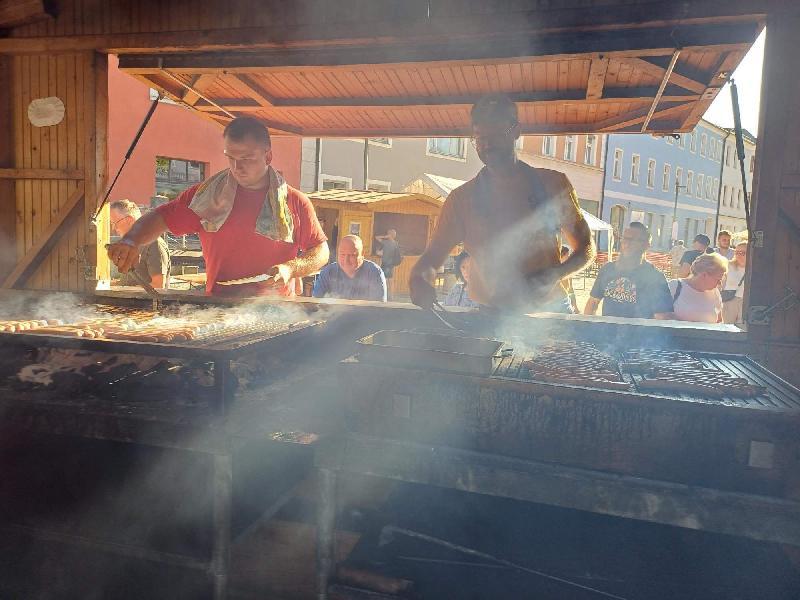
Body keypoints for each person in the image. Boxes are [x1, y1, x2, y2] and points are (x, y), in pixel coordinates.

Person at [409, 94, 594, 312]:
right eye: (479, 137)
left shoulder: (552, 185)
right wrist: (419, 278)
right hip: (491, 312)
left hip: (549, 312)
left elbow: (586, 248)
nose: (487, 145)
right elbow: (432, 258)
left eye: (496, 134)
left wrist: (555, 274)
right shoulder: (461, 200)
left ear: (516, 131)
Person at [107, 117, 328, 297]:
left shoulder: (294, 201)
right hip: (218, 307)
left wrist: (291, 268)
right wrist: (131, 240)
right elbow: (161, 217)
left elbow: (321, 251)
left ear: (268, 156)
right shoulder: (205, 197)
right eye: (230, 157)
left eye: (247, 158)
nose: (237, 167)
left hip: (276, 310)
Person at [584, 222, 673, 319]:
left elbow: (662, 317)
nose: (627, 244)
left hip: (638, 333)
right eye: (625, 239)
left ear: (646, 245)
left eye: (633, 240)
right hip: (607, 332)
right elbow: (593, 303)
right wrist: (589, 328)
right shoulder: (607, 269)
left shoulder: (655, 277)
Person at [109, 200, 171, 288]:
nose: (113, 228)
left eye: (115, 223)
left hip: (146, 301)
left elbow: (158, 285)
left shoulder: (154, 243)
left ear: (129, 220)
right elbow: (129, 282)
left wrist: (123, 290)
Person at [312, 235, 387, 301]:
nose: (346, 260)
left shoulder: (374, 272)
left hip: (365, 316)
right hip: (332, 316)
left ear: (362, 254)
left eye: (352, 255)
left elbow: (379, 308)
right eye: (342, 254)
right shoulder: (328, 272)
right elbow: (315, 303)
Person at [667, 253, 727, 323]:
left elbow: (719, 321)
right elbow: (660, 316)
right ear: (704, 275)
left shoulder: (715, 292)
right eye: (718, 279)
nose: (720, 283)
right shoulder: (674, 286)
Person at [721, 241, 747, 324]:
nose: (739, 255)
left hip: (746, 302)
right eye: (737, 252)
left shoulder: (754, 268)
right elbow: (721, 283)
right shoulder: (728, 265)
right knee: (727, 326)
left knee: (741, 327)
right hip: (729, 300)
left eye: (743, 253)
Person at [560, 246, 579, 313]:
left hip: (567, 304)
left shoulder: (568, 271)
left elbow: (571, 290)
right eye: (567, 255)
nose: (569, 258)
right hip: (558, 304)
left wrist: (575, 306)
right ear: (561, 256)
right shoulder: (554, 271)